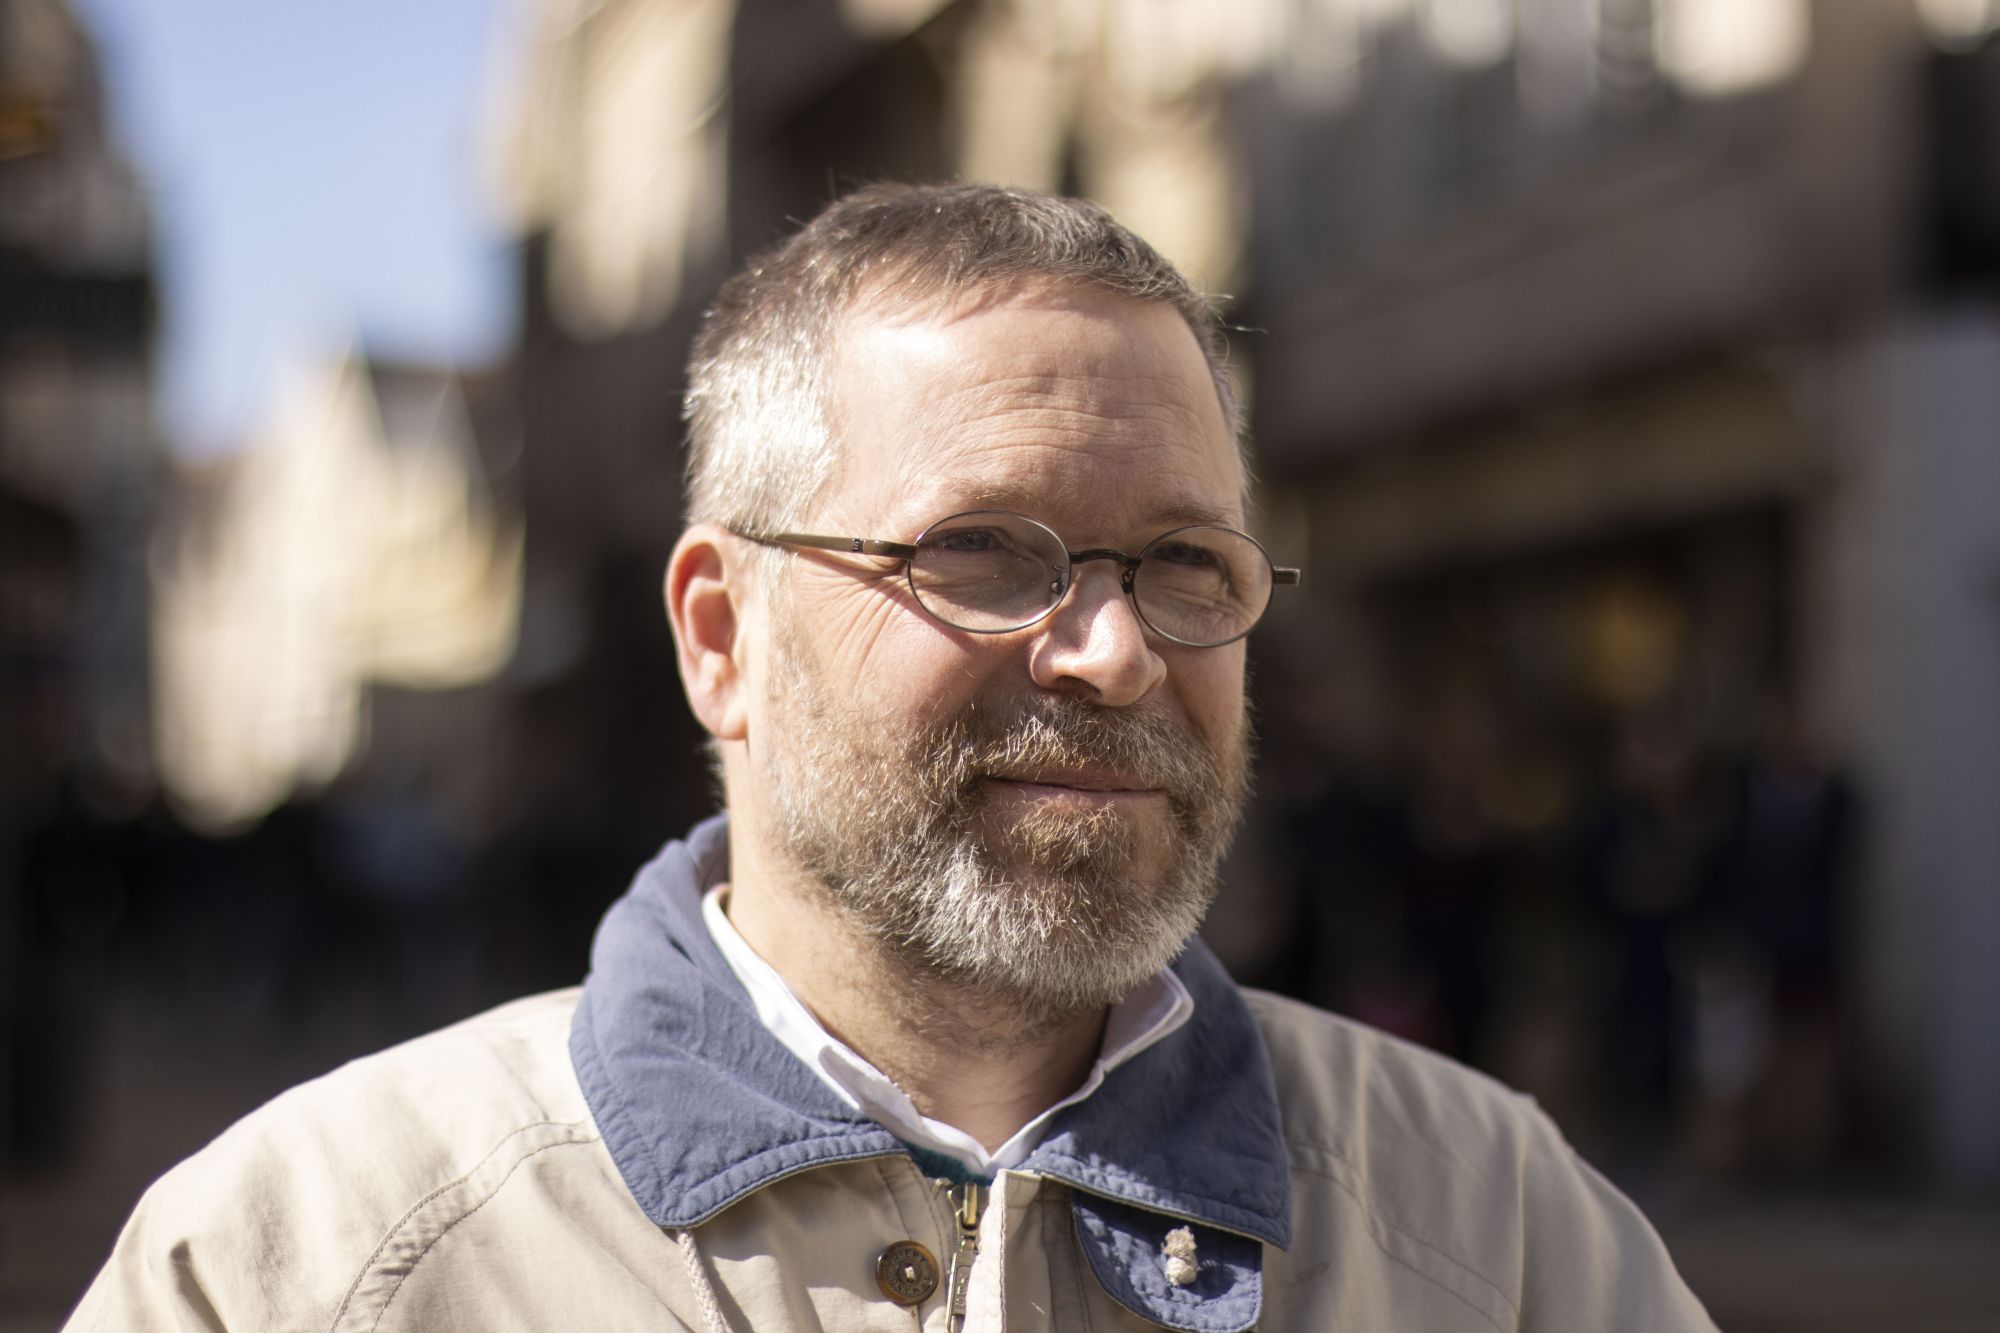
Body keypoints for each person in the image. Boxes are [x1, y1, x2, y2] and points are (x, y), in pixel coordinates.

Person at [69, 183, 1715, 1331]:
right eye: (982, 551)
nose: (1116, 649)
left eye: (1188, 564)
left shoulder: (1498, 1230)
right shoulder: (308, 1262)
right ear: (723, 635)